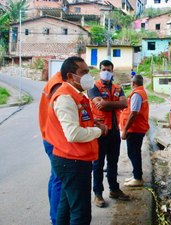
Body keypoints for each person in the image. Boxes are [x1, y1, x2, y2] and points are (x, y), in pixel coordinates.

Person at [45, 56, 108, 225]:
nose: (88, 76)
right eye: (84, 72)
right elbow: (72, 133)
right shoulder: (65, 97)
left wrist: (91, 123)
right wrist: (98, 131)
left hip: (72, 159)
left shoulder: (74, 95)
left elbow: (76, 121)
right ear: (71, 76)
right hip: (72, 161)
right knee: (81, 213)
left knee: (66, 207)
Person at [88, 60, 129, 208]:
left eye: (109, 69)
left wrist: (107, 103)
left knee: (113, 162)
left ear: (113, 71)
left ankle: (114, 189)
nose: (106, 71)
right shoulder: (93, 87)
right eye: (104, 69)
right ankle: (98, 193)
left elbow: (124, 104)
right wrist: (113, 103)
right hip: (100, 131)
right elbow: (100, 105)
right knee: (98, 164)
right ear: (100, 70)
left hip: (114, 132)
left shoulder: (118, 88)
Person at [38, 71, 63, 225]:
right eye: (83, 72)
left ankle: (54, 215)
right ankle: (57, 218)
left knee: (55, 177)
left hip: (49, 136)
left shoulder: (55, 80)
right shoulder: (58, 86)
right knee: (59, 179)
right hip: (55, 139)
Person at [120, 74, 150, 187]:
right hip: (138, 128)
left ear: (133, 84)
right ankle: (135, 175)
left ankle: (137, 178)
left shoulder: (137, 94)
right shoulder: (141, 92)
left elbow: (133, 113)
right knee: (134, 152)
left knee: (134, 153)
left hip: (135, 129)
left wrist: (125, 129)